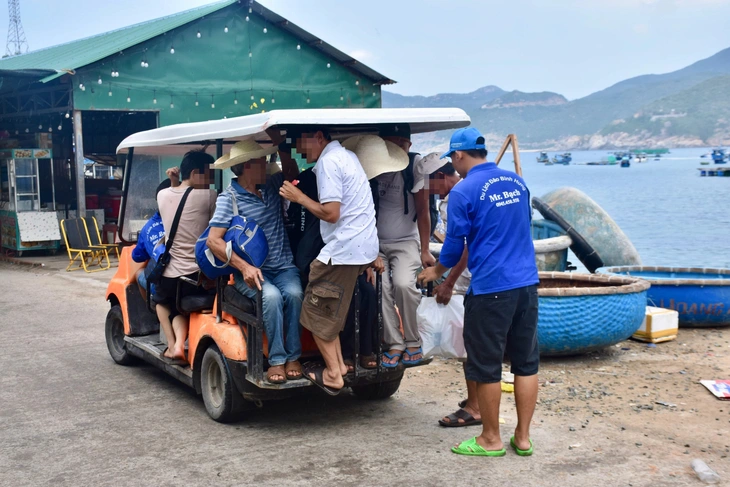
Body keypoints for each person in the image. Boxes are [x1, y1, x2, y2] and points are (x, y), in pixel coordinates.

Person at [418, 127, 540, 457]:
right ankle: (524, 438)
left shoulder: (462, 191)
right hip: (527, 285)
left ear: (458, 155)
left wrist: (436, 272)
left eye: (452, 158)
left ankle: (490, 439)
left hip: (491, 289)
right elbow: (522, 225)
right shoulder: (517, 181)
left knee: (486, 366)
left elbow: (455, 247)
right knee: (526, 363)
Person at [279, 126, 381, 395]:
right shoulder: (347, 156)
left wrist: (299, 197)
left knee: (314, 314)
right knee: (329, 313)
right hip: (360, 246)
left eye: (302, 142)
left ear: (319, 137)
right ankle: (337, 368)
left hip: (344, 248)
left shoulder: (328, 162)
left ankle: (334, 374)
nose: (300, 150)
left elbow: (331, 213)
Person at [207, 140, 304, 384]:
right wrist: (245, 267)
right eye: (261, 162)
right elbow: (213, 241)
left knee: (294, 294)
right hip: (251, 272)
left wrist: (281, 142)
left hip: (284, 266)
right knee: (270, 298)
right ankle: (277, 360)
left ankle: (294, 356)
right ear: (247, 167)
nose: (267, 166)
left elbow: (293, 173)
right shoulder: (228, 198)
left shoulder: (271, 185)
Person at [375, 125, 436, 367]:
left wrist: (424, 249)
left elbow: (423, 211)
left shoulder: (415, 166)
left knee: (404, 285)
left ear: (410, 145)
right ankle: (395, 343)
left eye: (403, 142)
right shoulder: (373, 166)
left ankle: (413, 340)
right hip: (375, 243)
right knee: (380, 288)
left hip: (405, 241)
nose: (400, 147)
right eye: (393, 142)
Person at [156, 151, 217, 362]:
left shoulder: (162, 194)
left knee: (162, 303)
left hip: (171, 277)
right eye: (208, 174)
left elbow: (176, 199)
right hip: (198, 276)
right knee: (179, 306)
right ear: (194, 173)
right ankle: (178, 345)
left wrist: (174, 182)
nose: (211, 180)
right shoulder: (210, 196)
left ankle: (173, 345)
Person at [132, 178, 171, 295]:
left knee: (139, 273)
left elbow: (137, 256)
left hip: (166, 284)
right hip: (194, 279)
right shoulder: (192, 222)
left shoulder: (148, 229)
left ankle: (155, 307)